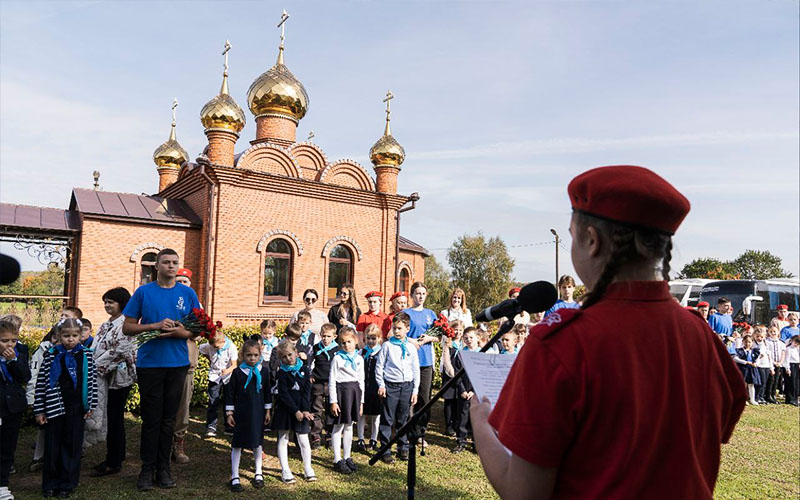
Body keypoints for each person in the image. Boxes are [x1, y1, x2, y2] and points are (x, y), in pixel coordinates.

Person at [470, 165, 746, 499]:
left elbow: (524, 493)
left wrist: (482, 426)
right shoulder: (701, 336)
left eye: (572, 236)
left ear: (591, 240)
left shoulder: (563, 343)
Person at [122, 248, 201, 491]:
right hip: (150, 365)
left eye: (175, 262)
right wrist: (155, 326)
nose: (171, 266)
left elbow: (198, 328)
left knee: (169, 419)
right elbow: (127, 327)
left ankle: (164, 468)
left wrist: (182, 333)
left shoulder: (187, 293)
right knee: (151, 419)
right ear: (157, 266)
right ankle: (147, 469)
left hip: (177, 364)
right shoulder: (143, 292)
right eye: (166, 262)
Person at [34, 318, 98, 498]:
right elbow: (42, 383)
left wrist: (91, 404)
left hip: (76, 406)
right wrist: (40, 409)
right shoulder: (51, 354)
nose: (70, 339)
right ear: (58, 336)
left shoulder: (86, 355)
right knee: (53, 446)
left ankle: (67, 484)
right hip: (54, 407)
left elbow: (92, 381)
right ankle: (50, 484)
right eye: (66, 336)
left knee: (72, 445)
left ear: (80, 336)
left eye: (75, 336)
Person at [90, 287, 136, 477]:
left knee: (115, 418)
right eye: (105, 302)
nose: (107, 305)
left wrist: (95, 365)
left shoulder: (126, 324)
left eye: (111, 302)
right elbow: (95, 346)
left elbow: (120, 350)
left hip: (119, 379)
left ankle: (114, 461)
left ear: (121, 304)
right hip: (102, 375)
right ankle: (114, 455)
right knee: (110, 417)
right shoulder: (104, 324)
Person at [224, 338, 271, 492]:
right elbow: (230, 393)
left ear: (260, 355)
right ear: (243, 355)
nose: (252, 358)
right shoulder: (237, 372)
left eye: (255, 355)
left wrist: (268, 410)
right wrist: (229, 413)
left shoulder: (264, 371)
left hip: (258, 412)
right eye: (249, 355)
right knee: (238, 443)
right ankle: (235, 475)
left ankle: (258, 473)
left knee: (257, 442)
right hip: (241, 413)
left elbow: (267, 392)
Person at [375, 312, 420, 464]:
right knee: (387, 418)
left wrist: (415, 390)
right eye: (394, 328)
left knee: (403, 418)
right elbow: (379, 367)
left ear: (407, 328)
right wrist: (381, 384)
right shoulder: (387, 346)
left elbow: (415, 370)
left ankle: (403, 446)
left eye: (400, 328)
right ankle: (385, 449)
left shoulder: (411, 347)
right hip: (391, 386)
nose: (397, 331)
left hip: (406, 386)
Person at [272, 340, 315, 483]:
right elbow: (283, 393)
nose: (288, 358)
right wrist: (295, 410)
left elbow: (306, 392)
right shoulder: (282, 373)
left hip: (301, 410)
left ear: (296, 353)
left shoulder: (305, 369)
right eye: (284, 357)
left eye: (290, 355)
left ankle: (308, 468)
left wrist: (304, 410)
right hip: (285, 409)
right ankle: (285, 470)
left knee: (303, 439)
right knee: (283, 439)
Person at [403, 282, 438, 443]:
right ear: (412, 295)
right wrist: (411, 341)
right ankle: (407, 431)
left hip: (426, 361)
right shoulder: (406, 313)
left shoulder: (430, 314)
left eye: (423, 293)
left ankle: (420, 432)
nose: (420, 296)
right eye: (417, 293)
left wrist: (429, 338)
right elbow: (397, 333)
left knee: (424, 398)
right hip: (409, 360)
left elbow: (440, 335)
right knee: (409, 397)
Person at [0, 318, 30, 500]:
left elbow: (25, 376)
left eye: (13, 340)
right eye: (4, 341)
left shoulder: (20, 352)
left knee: (7, 447)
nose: (10, 344)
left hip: (12, 407)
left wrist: (13, 361)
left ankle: (2, 484)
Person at [329, 327, 365, 475]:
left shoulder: (359, 358)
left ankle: (347, 456)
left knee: (349, 425)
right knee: (338, 426)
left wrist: (361, 402)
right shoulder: (337, 358)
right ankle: (337, 459)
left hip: (354, 392)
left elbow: (361, 380)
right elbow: (332, 380)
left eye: (349, 342)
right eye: (343, 342)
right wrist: (333, 401)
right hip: (341, 393)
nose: (346, 345)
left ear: (355, 341)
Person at [172, 267, 198, 464]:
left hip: (186, 361)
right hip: (163, 360)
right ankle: (161, 443)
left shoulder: (195, 305)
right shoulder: (166, 301)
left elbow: (201, 332)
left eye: (185, 282)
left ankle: (178, 442)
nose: (182, 285)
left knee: (182, 406)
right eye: (178, 281)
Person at [200, 332, 237, 437]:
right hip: (215, 376)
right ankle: (211, 426)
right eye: (213, 347)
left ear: (223, 341)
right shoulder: (209, 345)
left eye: (216, 347)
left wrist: (227, 370)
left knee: (228, 401)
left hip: (227, 377)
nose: (214, 348)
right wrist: (210, 360)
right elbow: (201, 349)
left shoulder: (231, 347)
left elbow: (234, 364)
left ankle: (229, 426)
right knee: (213, 401)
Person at [309, 323, 339, 449]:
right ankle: (316, 434)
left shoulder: (337, 350)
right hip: (318, 383)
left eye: (328, 336)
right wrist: (310, 374)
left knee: (331, 410)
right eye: (323, 336)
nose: (325, 339)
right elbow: (310, 362)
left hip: (332, 383)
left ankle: (330, 434)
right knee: (316, 408)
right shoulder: (316, 348)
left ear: (334, 336)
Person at [451, 326, 480, 454]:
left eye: (471, 337)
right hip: (463, 391)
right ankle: (461, 441)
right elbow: (456, 374)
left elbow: (482, 374)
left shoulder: (482, 354)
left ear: (477, 338)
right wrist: (462, 390)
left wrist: (474, 390)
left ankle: (476, 443)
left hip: (476, 392)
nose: (469, 340)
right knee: (462, 417)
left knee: (476, 418)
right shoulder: (461, 354)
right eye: (466, 338)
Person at [356, 324, 382, 452]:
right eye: (369, 338)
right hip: (364, 387)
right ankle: (360, 438)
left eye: (374, 338)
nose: (371, 341)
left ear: (379, 338)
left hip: (376, 387)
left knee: (376, 415)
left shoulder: (381, 352)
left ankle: (373, 438)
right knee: (362, 413)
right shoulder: (361, 352)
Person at [440, 320, 465, 437]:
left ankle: (456, 423)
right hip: (450, 376)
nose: (458, 332)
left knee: (457, 400)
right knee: (449, 401)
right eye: (456, 330)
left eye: (460, 330)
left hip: (460, 376)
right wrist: (452, 373)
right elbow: (446, 361)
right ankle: (448, 425)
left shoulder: (463, 344)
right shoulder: (448, 344)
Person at [734, 335, 761, 405]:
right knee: (743, 384)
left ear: (752, 342)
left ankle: (752, 399)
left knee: (751, 384)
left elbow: (758, 359)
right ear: (743, 342)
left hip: (751, 369)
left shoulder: (755, 351)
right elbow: (735, 359)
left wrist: (756, 364)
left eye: (749, 342)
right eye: (746, 342)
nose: (747, 343)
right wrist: (745, 362)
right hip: (743, 369)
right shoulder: (740, 351)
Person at [764, 326, 786, 404]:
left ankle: (773, 395)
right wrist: (773, 362)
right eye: (771, 331)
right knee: (770, 380)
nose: (773, 333)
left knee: (776, 380)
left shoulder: (781, 343)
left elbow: (783, 353)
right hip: (771, 363)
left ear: (778, 332)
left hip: (778, 363)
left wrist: (780, 362)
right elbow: (768, 353)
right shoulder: (766, 342)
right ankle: (768, 395)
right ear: (768, 333)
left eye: (774, 331)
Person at [752, 326, 772, 404]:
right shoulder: (754, 344)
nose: (760, 338)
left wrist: (771, 366)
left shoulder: (765, 343)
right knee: (760, 382)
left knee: (764, 382)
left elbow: (769, 355)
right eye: (758, 336)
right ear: (754, 336)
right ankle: (757, 397)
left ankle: (761, 396)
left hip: (766, 364)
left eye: (761, 337)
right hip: (759, 365)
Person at [780, 335, 800, 406]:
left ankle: (795, 398)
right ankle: (790, 399)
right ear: (792, 341)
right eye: (795, 342)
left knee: (796, 383)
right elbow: (787, 360)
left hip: (796, 365)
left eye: (797, 344)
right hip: (791, 365)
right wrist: (787, 368)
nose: (796, 345)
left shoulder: (796, 349)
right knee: (791, 383)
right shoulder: (788, 349)